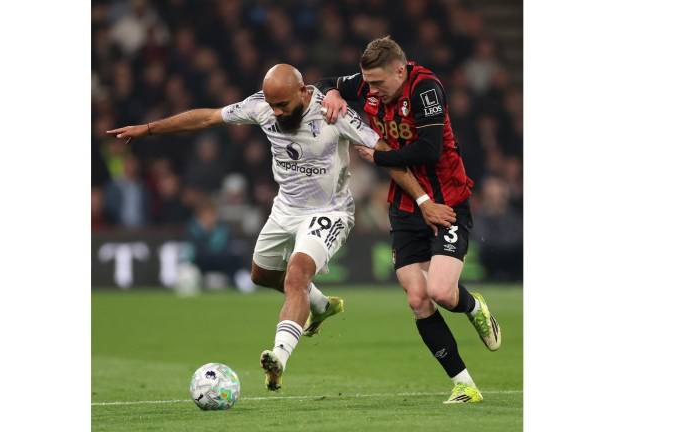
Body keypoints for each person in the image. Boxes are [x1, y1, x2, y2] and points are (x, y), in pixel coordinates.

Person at [107, 64, 455, 391]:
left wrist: (424, 201)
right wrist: (150, 129)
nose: (275, 112)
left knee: (296, 275)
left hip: (330, 211)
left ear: (304, 92)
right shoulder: (261, 107)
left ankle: (279, 357)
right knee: (261, 274)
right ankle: (321, 306)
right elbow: (207, 118)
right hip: (285, 209)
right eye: (271, 105)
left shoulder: (333, 113)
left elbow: (383, 151)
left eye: (282, 105)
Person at [316, 36, 502, 404]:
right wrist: (332, 95)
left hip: (445, 201)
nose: (371, 90)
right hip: (403, 206)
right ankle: (464, 384)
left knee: (440, 292)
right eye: (366, 83)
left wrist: (377, 156)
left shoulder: (426, 89)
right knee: (418, 299)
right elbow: (326, 83)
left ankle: (473, 306)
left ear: (400, 71)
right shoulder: (369, 84)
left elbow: (430, 152)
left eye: (378, 83)